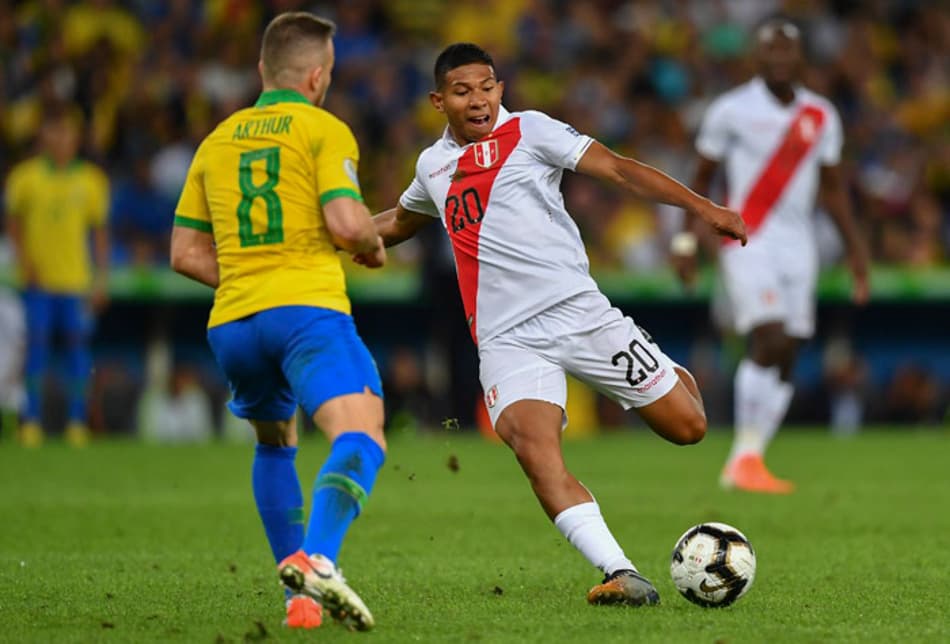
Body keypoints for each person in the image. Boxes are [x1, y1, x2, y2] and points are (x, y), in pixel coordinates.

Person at [368, 43, 747, 606]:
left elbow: (618, 168)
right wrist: (330, 234)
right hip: (507, 339)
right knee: (533, 450)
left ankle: (659, 362)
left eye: (488, 86)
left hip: (579, 313)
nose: (478, 100)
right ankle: (622, 572)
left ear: (501, 89)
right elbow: (400, 221)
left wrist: (702, 208)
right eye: (463, 90)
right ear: (438, 100)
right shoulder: (432, 165)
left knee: (688, 427)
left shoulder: (532, 131)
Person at [170, 12, 387, 631]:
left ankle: (301, 602)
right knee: (363, 434)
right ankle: (318, 560)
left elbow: (183, 254)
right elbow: (347, 224)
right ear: (318, 76)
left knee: (276, 444)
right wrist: (370, 245)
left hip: (234, 323)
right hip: (305, 311)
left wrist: (248, 277)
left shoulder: (216, 140)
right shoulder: (322, 128)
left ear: (264, 69)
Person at [673, 18, 869, 494]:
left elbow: (834, 191)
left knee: (789, 351)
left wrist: (857, 250)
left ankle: (751, 457)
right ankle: (742, 456)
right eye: (770, 51)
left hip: (799, 246)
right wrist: (685, 240)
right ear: (756, 58)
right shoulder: (731, 110)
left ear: (801, 57)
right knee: (770, 336)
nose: (779, 59)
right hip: (746, 238)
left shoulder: (820, 115)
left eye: (788, 51)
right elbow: (701, 181)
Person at [4, 106, 110, 448]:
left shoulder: (92, 181)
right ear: (44, 136)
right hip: (39, 284)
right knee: (35, 352)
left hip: (76, 283)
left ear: (76, 138)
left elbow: (99, 234)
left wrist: (101, 278)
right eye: (55, 131)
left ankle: (76, 424)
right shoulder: (25, 178)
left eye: (67, 132)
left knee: (78, 354)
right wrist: (24, 262)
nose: (61, 139)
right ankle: (31, 423)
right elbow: (14, 224)